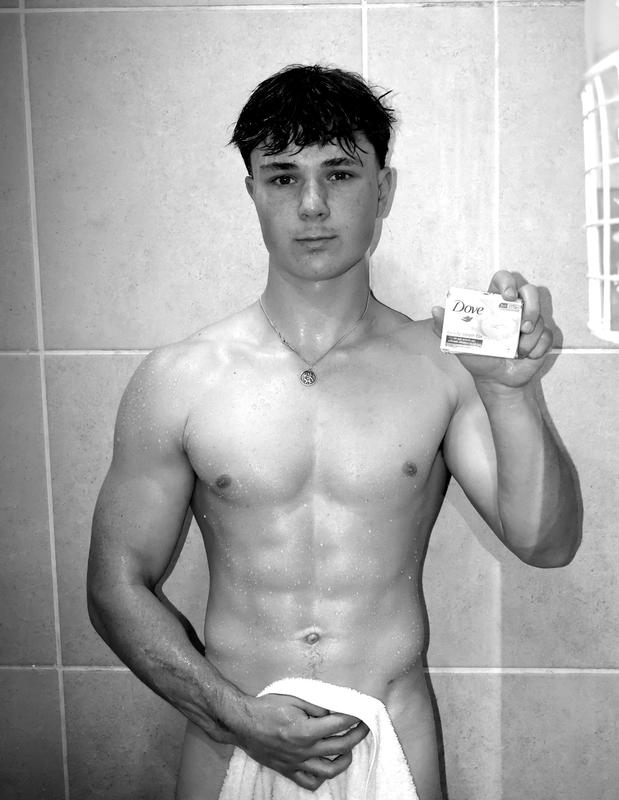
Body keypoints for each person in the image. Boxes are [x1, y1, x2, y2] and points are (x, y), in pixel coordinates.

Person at [87, 64, 581, 800]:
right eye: (283, 177)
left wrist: (510, 393)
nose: (312, 204)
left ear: (383, 190)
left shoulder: (443, 366)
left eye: (340, 174)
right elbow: (113, 585)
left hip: (392, 739)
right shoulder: (179, 378)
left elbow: (547, 543)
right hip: (231, 739)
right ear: (252, 191)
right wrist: (233, 715)